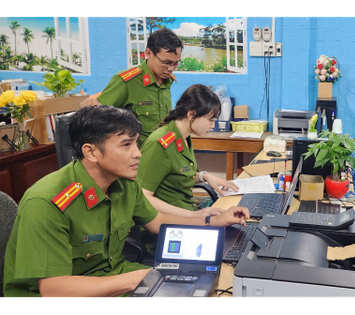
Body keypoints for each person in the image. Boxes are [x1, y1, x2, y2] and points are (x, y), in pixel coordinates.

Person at [3, 105, 249, 298]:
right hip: (67, 292)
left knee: (216, 287)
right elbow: (53, 289)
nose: (138, 153)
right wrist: (144, 278)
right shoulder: (47, 202)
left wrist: (213, 221)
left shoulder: (123, 182)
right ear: (91, 152)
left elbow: (158, 221)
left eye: (136, 143)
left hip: (112, 277)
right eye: (126, 145)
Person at [134, 84, 240, 253]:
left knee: (235, 235)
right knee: (228, 247)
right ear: (191, 114)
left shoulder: (183, 137)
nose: (213, 125)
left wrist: (205, 177)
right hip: (167, 230)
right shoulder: (160, 144)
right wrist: (194, 215)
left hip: (187, 216)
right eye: (210, 120)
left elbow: (176, 173)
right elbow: (142, 197)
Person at [80, 28, 183, 147]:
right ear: (148, 54)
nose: (171, 68)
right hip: (136, 157)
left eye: (175, 64)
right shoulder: (127, 81)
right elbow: (99, 119)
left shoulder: (167, 81)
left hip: (161, 152)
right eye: (166, 63)